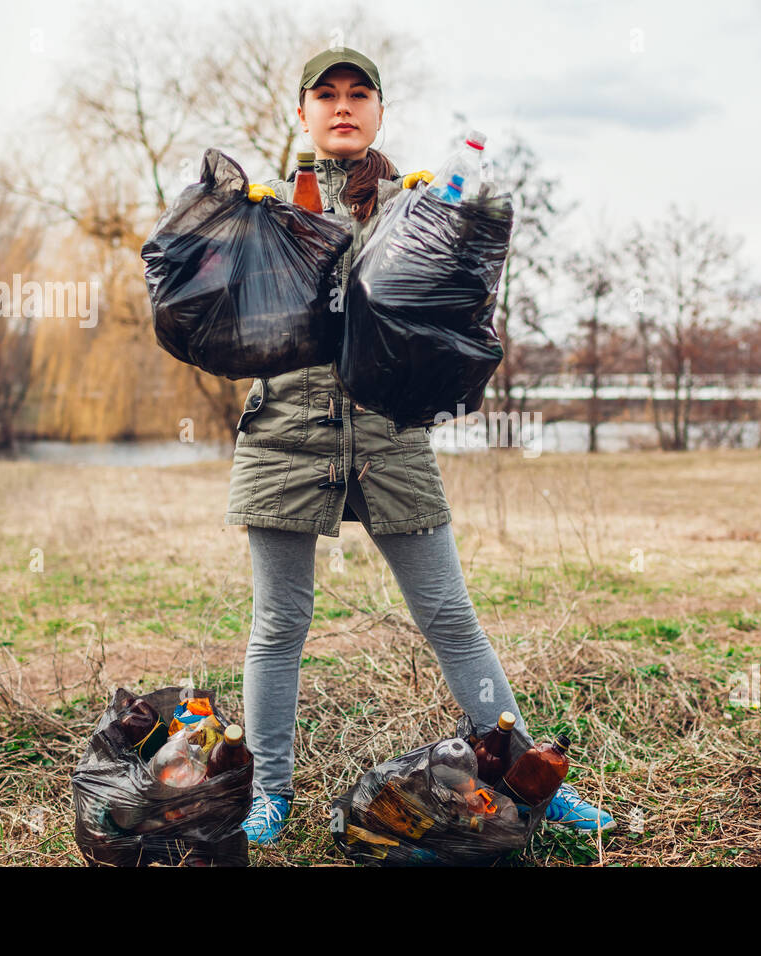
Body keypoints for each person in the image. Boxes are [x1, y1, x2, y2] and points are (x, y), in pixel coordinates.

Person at [228, 46, 615, 846]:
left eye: (358, 93)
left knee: (449, 615)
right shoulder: (270, 208)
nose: (342, 105)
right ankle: (269, 794)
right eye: (325, 94)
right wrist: (237, 222)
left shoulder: (417, 206)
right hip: (287, 432)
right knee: (279, 624)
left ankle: (529, 784)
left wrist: (448, 230)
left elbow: (462, 315)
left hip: (389, 434)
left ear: (379, 111)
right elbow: (230, 326)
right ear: (301, 112)